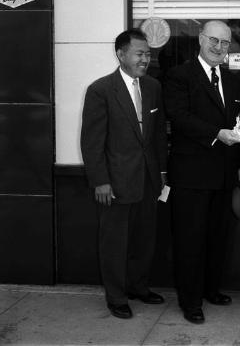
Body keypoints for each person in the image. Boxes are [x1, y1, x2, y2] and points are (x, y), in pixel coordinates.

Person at [164, 20, 240, 324]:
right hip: (191, 175)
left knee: (218, 237)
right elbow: (179, 117)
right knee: (190, 240)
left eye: (225, 43)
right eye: (213, 40)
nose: (218, 47)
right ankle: (190, 302)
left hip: (226, 174)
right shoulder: (179, 76)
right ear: (201, 40)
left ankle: (211, 290)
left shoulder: (235, 81)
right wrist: (217, 131)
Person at [80, 29, 167, 319]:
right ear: (121, 54)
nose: (145, 59)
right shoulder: (101, 90)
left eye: (148, 54)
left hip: (148, 180)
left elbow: (156, 138)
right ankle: (116, 296)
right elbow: (92, 142)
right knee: (115, 243)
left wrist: (162, 174)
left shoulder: (153, 86)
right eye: (139, 53)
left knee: (144, 240)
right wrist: (100, 181)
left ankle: (138, 287)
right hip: (115, 183)